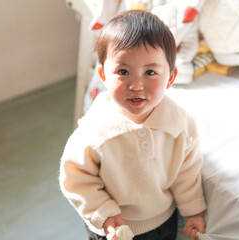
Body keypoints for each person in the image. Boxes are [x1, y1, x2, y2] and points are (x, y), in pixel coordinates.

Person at [59, 10, 206, 240]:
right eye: (123, 71)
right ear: (103, 76)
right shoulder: (95, 130)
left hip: (163, 221)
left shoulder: (179, 124)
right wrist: (103, 212)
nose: (136, 84)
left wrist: (194, 209)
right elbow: (76, 177)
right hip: (113, 228)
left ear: (170, 77)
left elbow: (187, 171)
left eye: (150, 72)